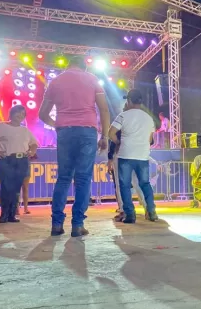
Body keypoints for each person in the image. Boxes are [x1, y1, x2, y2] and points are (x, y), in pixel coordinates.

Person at [39, 55, 110, 237]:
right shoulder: (92, 79)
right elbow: (103, 109)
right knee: (84, 179)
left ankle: (56, 224)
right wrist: (105, 136)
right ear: (84, 67)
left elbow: (42, 114)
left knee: (63, 178)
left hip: (65, 132)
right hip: (87, 131)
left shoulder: (55, 82)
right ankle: (77, 225)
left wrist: (57, 124)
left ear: (68, 65)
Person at [109, 89, 158, 224]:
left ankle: (130, 214)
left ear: (129, 101)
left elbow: (111, 133)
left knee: (125, 185)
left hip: (126, 154)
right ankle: (151, 211)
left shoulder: (123, 116)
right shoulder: (148, 118)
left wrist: (118, 142)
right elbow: (150, 139)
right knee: (145, 183)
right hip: (142, 155)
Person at [0, 105, 38, 223]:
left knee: (16, 188)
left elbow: (34, 143)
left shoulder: (25, 130)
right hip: (6, 160)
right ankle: (4, 214)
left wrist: (32, 151)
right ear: (11, 113)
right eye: (18, 113)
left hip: (22, 161)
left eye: (23, 114)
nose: (20, 116)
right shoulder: (1, 126)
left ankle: (12, 215)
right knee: (5, 187)